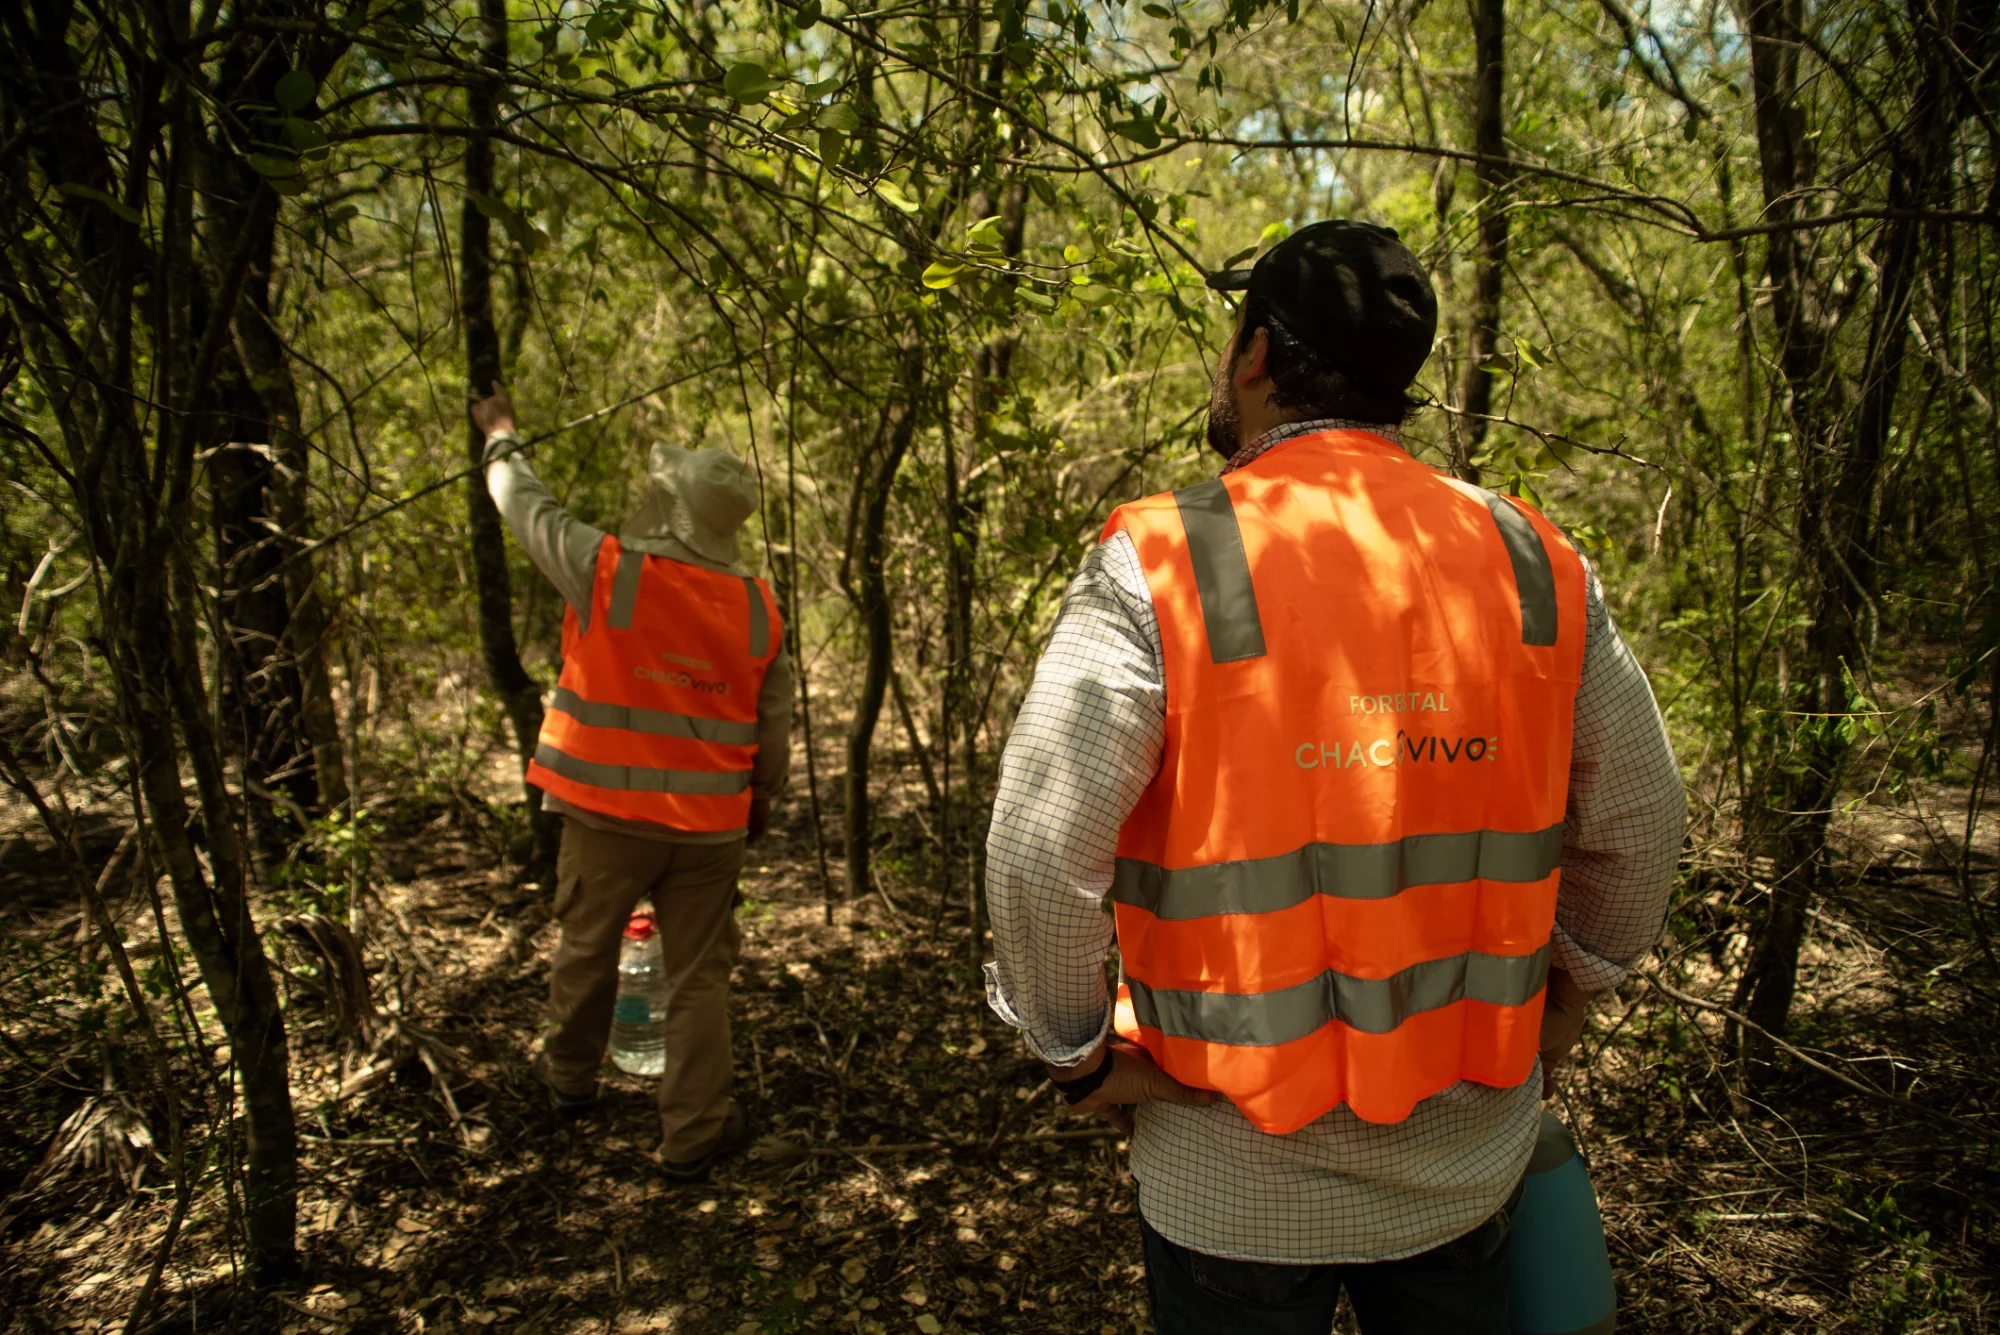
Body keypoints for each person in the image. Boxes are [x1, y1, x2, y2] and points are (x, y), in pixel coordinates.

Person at [982, 221, 1684, 1333]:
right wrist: (1571, 996)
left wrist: (1073, 1053)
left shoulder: (1163, 558)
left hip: (1228, 1176)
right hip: (1465, 1162)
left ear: (1253, 354)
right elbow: (1642, 823)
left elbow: (1036, 840)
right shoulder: (1526, 556)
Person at [470, 385, 792, 1180]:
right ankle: (694, 1132)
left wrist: (502, 435)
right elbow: (771, 732)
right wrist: (759, 806)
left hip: (606, 816)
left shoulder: (608, 569)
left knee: (586, 946)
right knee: (698, 978)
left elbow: (522, 504)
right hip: (711, 828)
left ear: (670, 504)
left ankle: (568, 1083)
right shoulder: (758, 605)